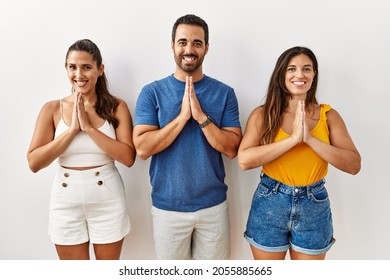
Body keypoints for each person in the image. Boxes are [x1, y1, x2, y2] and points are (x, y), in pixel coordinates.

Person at [133, 14, 242, 260]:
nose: (189, 49)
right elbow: (142, 148)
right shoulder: (152, 92)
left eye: (197, 42)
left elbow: (232, 148)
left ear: (206, 48)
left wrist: (201, 116)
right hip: (167, 209)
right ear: (172, 45)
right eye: (182, 42)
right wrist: (182, 118)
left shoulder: (224, 93)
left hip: (213, 208)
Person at [237, 46, 361, 260]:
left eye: (307, 69)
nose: (299, 75)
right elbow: (244, 160)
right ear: (282, 74)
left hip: (314, 204)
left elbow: (353, 165)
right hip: (270, 201)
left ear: (314, 75)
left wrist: (310, 139)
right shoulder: (262, 115)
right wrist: (292, 139)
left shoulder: (328, 116)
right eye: (292, 69)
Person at [27, 39, 136, 260]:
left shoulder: (117, 107)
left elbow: (128, 157)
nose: (79, 74)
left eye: (86, 67)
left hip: (108, 199)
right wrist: (72, 130)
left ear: (100, 69)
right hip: (65, 202)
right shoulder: (52, 109)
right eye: (72, 67)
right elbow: (34, 162)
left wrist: (88, 128)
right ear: (66, 69)